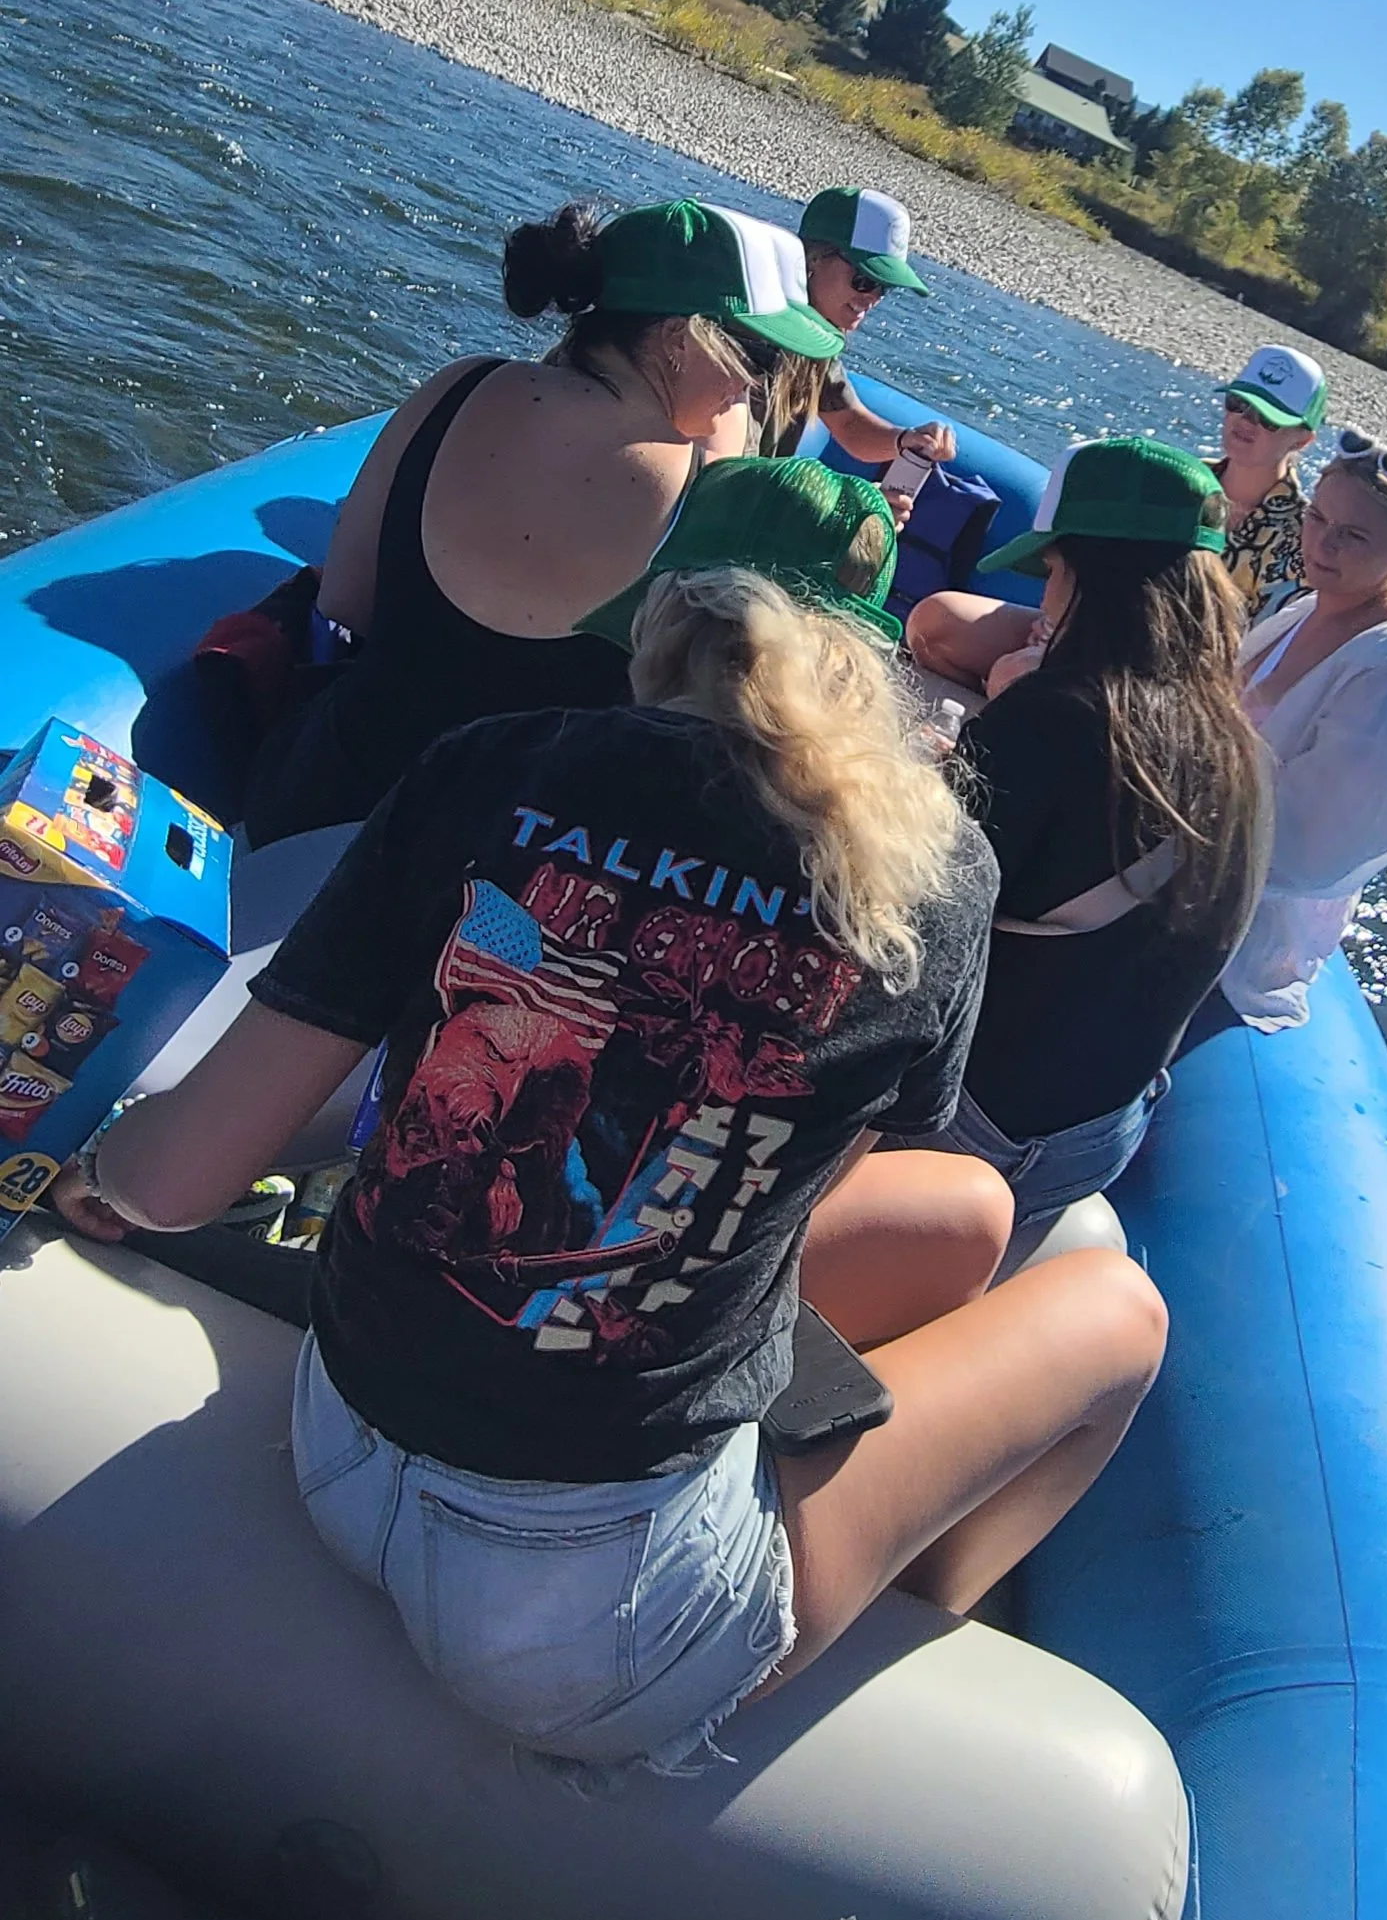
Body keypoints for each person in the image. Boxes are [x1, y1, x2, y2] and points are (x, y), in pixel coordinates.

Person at [57, 472, 1165, 1779]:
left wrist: (91, 1172)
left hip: (341, 1450)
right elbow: (815, 1175)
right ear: (867, 654)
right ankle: (908, 1640)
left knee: (960, 1220)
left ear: (661, 620)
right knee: (1115, 1315)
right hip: (589, 1627)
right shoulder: (933, 881)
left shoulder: (490, 766)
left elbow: (176, 1183)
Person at [241, 200, 844, 846]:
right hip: (480, 875)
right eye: (760, 358)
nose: (754, 388)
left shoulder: (458, 386)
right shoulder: (704, 494)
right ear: (679, 337)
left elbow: (344, 604)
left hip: (309, 800)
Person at [896, 440, 1267, 1232]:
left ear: (1092, 579)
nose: (1047, 602)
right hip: (1102, 1137)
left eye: (1055, 575)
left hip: (983, 1132)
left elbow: (901, 915)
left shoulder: (1059, 719)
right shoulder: (1243, 755)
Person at [1217, 429, 1387, 1032]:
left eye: (1354, 535)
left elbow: (1312, 852)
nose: (1323, 543)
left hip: (1241, 915)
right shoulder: (1308, 609)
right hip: (1195, 842)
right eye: (1318, 518)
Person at [757, 186, 958, 470]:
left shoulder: (818, 342)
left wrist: (906, 440)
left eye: (884, 288)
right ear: (813, 258)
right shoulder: (754, 327)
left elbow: (849, 423)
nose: (872, 298)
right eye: (864, 280)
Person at [1214, 345, 1328, 622]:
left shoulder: (1305, 540)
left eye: (1268, 418)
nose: (1246, 421)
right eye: (1239, 404)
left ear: (1302, 440)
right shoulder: (1178, 481)